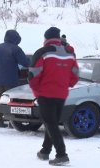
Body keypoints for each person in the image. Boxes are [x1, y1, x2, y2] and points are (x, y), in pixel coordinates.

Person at [28, 27, 79, 166]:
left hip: (45, 93)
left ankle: (62, 155)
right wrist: (65, 84)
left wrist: (36, 89)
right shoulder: (69, 53)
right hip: (61, 94)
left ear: (46, 39)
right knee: (52, 122)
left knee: (50, 122)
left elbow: (33, 75)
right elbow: (75, 74)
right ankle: (45, 151)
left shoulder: (42, 52)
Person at [0, 29, 30, 128]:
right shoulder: (16, 49)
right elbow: (25, 62)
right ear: (16, 39)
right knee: (12, 102)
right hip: (12, 81)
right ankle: (12, 123)